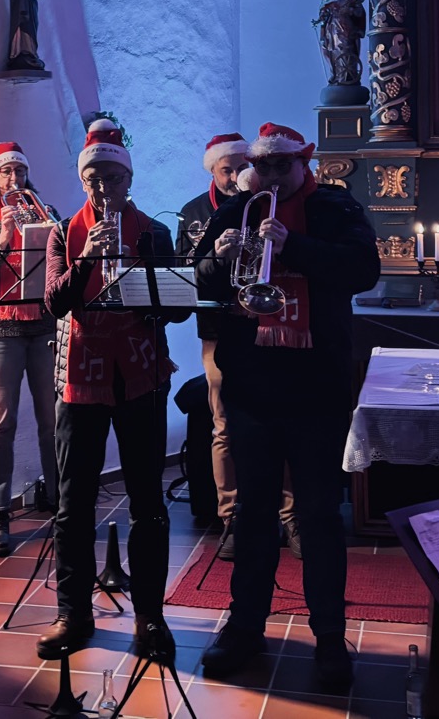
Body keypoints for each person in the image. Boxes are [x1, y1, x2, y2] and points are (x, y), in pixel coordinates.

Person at [194, 123, 381, 692]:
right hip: (252, 386)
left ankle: (329, 636)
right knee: (253, 513)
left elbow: (364, 270)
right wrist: (219, 259)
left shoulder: (335, 207)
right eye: (263, 167)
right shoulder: (236, 210)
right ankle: (245, 626)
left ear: (303, 164)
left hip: (316, 387)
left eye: (282, 166)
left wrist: (291, 245)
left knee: (319, 516)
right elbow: (200, 280)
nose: (271, 176)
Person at [41, 118, 187, 661]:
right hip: (80, 376)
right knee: (73, 502)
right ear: (84, 182)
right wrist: (87, 258)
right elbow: (55, 302)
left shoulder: (154, 233)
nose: (103, 189)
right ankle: (73, 613)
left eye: (113, 179)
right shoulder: (63, 232)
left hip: (140, 375)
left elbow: (175, 310)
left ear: (129, 180)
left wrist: (150, 293)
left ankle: (150, 617)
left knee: (147, 500)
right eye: (93, 180)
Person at [176, 133, 298, 559]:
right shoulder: (193, 212)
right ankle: (231, 517)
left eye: (240, 167)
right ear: (212, 171)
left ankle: (290, 516)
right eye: (225, 170)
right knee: (224, 424)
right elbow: (187, 276)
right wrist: (217, 257)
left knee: (285, 423)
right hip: (219, 330)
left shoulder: (271, 202)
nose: (234, 176)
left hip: (276, 326)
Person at [0, 141, 60, 557]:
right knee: (0, 424)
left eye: (20, 170)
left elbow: (62, 268)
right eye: (6, 172)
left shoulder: (46, 212)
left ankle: (60, 501)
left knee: (54, 420)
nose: (15, 178)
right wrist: (3, 238)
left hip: (44, 326)